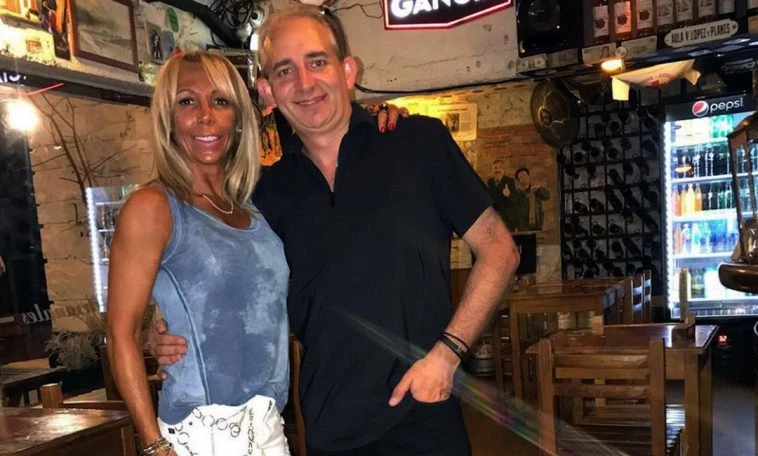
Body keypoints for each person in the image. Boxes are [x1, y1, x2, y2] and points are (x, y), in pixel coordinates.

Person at [152, 5, 519, 455]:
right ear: (267, 90)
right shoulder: (264, 195)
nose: (304, 83)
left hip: (425, 415)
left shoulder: (418, 144)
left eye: (317, 62)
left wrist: (448, 354)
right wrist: (162, 331)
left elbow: (500, 251)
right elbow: (221, 285)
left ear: (348, 71)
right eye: (285, 70)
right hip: (330, 429)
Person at [106, 50, 293, 456]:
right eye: (187, 101)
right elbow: (120, 334)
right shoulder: (153, 207)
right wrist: (154, 444)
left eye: (220, 101)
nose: (206, 116)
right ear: (168, 119)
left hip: (268, 430)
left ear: (238, 118)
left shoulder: (252, 208)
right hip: (203, 434)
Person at [510, 167, 550, 232]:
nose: (523, 177)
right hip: (522, 225)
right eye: (521, 176)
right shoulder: (517, 193)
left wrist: (539, 189)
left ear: (528, 176)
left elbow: (547, 196)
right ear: (519, 180)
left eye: (525, 175)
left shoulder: (536, 189)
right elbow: (514, 210)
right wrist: (515, 225)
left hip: (536, 222)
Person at [486, 158, 515, 229]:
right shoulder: (489, 182)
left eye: (500, 167)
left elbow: (516, 200)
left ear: (504, 170)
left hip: (507, 219)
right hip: (494, 219)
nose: (498, 170)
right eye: (495, 168)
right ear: (492, 170)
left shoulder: (510, 181)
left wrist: (509, 195)